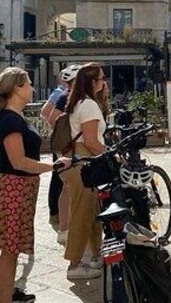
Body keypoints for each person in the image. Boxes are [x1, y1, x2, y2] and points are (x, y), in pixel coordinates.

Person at [0, 67, 54, 303]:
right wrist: (54, 167)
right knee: (9, 251)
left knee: (13, 249)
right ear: (17, 88)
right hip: (13, 188)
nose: (32, 88)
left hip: (20, 188)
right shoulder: (10, 119)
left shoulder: (15, 116)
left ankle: (8, 296)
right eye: (28, 84)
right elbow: (18, 161)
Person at [61, 63, 108, 280]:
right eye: (101, 78)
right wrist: (111, 154)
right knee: (81, 215)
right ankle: (74, 264)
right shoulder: (88, 105)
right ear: (92, 82)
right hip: (84, 164)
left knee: (92, 213)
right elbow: (91, 141)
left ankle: (97, 255)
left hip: (77, 162)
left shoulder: (78, 102)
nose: (104, 81)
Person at [41, 64, 80, 229]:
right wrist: (62, 133)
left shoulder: (64, 94)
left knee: (60, 179)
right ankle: (58, 215)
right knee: (60, 179)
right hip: (66, 145)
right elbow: (49, 115)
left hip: (63, 143)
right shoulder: (63, 95)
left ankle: (58, 216)